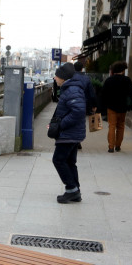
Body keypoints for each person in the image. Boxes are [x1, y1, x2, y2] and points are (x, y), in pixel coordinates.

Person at [50, 63, 86, 204]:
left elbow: (78, 111)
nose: (54, 78)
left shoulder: (72, 90)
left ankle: (71, 189)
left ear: (63, 78)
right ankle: (75, 191)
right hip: (72, 133)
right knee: (70, 162)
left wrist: (60, 125)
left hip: (69, 133)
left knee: (58, 160)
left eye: (57, 75)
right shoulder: (71, 89)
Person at [99, 60, 132, 153]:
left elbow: (103, 94)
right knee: (120, 126)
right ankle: (118, 145)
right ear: (123, 70)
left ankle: (111, 147)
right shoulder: (127, 80)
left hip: (111, 107)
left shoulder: (109, 80)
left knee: (112, 126)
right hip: (123, 107)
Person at [72, 60, 98, 149]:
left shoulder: (70, 77)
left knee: (72, 121)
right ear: (82, 69)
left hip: (71, 103)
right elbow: (91, 93)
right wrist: (94, 104)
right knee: (80, 122)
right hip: (83, 103)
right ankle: (78, 141)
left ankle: (72, 140)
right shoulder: (86, 78)